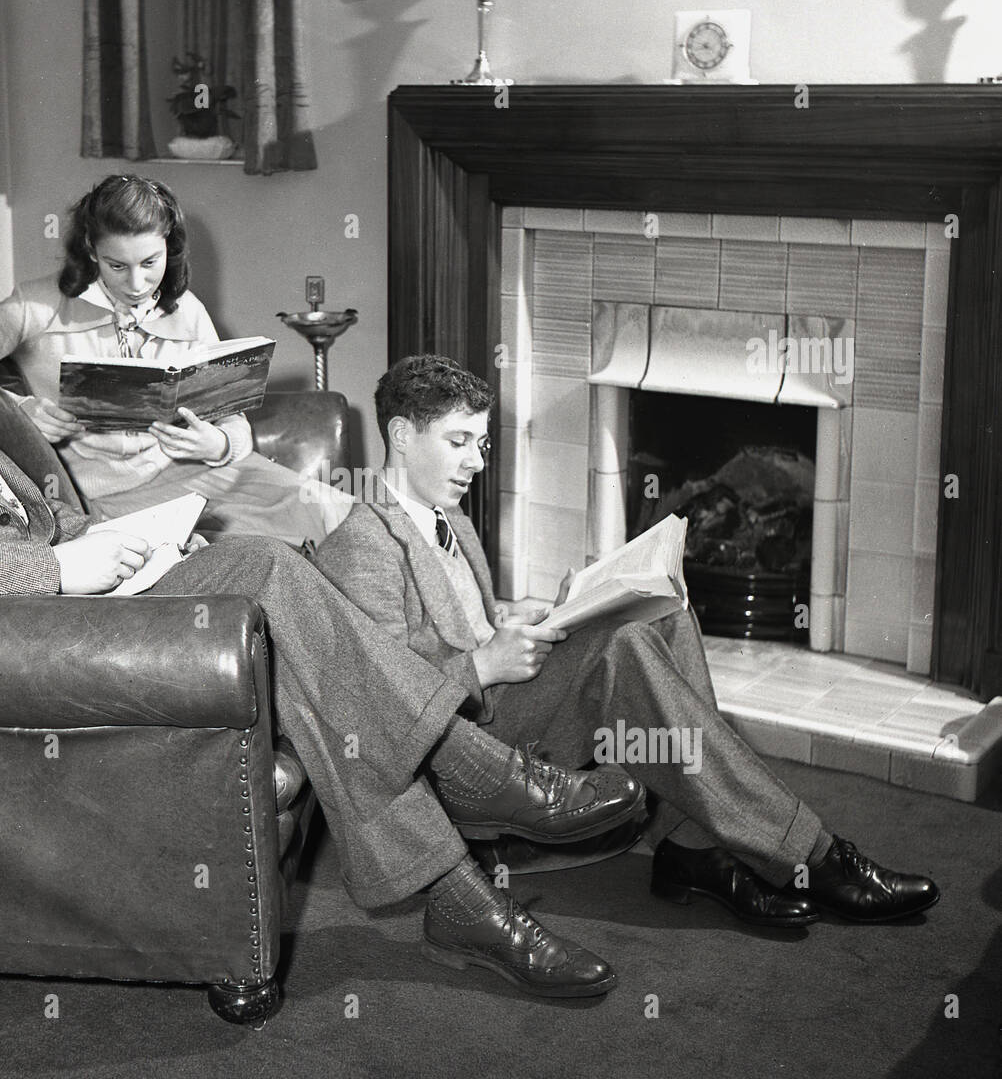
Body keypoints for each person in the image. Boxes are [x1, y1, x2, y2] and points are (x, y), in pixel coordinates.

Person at [0, 233, 651, 1002]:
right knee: (269, 568)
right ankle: (484, 777)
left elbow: (40, 510)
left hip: (84, 585)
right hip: (22, 639)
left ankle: (463, 902)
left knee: (292, 628)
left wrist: (127, 540)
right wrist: (56, 567)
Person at [314, 354, 940, 931]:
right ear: (400, 436)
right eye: (457, 443)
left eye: (479, 443)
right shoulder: (362, 543)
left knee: (661, 614)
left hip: (508, 702)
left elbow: (464, 617)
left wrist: (541, 613)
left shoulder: (453, 520)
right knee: (622, 650)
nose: (476, 462)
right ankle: (814, 854)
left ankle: (692, 847)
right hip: (467, 748)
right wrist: (482, 664)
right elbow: (379, 707)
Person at [0, 174, 351, 544]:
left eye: (150, 262)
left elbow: (232, 418)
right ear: (90, 249)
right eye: (117, 265)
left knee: (333, 512)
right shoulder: (35, 306)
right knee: (258, 546)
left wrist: (217, 443)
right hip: (101, 492)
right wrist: (20, 412)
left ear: (170, 246)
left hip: (197, 470)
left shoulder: (188, 310)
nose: (136, 284)